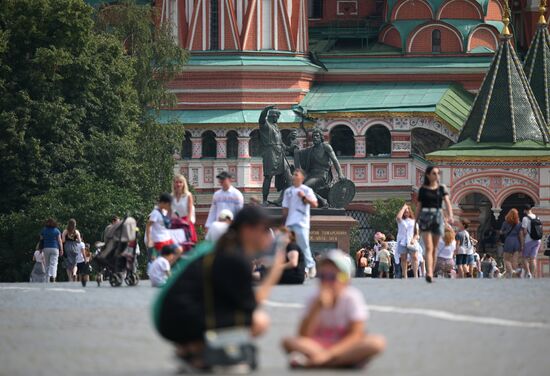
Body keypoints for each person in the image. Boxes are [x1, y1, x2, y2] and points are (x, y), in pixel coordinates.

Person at [153, 205, 287, 372]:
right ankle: (203, 352)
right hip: (175, 320)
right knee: (259, 321)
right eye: (265, 230)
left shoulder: (223, 249)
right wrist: (275, 273)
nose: (270, 236)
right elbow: (252, 305)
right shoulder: (235, 259)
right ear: (247, 230)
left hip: (167, 315)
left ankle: (192, 350)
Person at [282, 250, 385, 369]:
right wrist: (316, 307)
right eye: (322, 277)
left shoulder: (352, 297)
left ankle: (316, 362)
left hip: (344, 346)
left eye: (332, 277)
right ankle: (342, 362)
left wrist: (328, 354)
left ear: (346, 279)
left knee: (376, 343)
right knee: (288, 341)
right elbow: (303, 335)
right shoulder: (313, 298)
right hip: (318, 345)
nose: (326, 282)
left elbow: (356, 335)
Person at [415, 166, 453, 283]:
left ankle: (432, 271)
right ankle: (429, 273)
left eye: (438, 174)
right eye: (434, 173)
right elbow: (419, 206)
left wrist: (450, 215)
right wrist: (415, 221)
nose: (437, 176)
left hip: (438, 216)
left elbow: (447, 202)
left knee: (435, 248)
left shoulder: (442, 188)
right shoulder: (423, 189)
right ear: (428, 175)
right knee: (429, 247)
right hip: (425, 217)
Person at [293, 127, 344, 207]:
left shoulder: (326, 147)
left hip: (322, 174)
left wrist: (340, 174)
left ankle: (323, 201)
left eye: (317, 136)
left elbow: (335, 160)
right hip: (312, 175)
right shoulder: (310, 150)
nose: (315, 138)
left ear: (321, 137)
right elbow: (299, 153)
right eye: (313, 136)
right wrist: (294, 150)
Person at [282, 169, 318, 278]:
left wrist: (303, 197)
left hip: (301, 222)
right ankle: (293, 267)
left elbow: (315, 204)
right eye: (293, 174)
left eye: (296, 174)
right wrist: (284, 223)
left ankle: (311, 265)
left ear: (302, 177)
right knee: (286, 245)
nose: (293, 176)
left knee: (303, 245)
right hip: (290, 223)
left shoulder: (307, 190)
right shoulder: (288, 191)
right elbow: (285, 208)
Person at [258, 105, 292, 205]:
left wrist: (290, 148)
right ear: (273, 116)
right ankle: (264, 199)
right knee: (268, 176)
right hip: (270, 153)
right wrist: (266, 109)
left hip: (280, 153)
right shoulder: (265, 125)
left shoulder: (276, 127)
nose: (278, 119)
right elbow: (261, 118)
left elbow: (280, 143)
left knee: (289, 176)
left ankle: (285, 199)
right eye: (277, 116)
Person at [171, 174, 197, 243]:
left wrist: (186, 226)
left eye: (180, 182)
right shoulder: (171, 196)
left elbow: (190, 212)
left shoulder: (188, 195)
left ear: (183, 184)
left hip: (185, 222)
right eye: (176, 182)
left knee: (186, 244)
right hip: (175, 223)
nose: (178, 184)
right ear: (174, 184)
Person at [396, 204, 417, 279]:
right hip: (402, 241)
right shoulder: (401, 221)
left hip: (411, 241)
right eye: (405, 212)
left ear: (410, 212)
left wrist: (414, 239)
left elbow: (416, 233)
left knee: (414, 257)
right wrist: (403, 208)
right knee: (403, 258)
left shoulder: (413, 221)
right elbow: (398, 217)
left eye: (407, 212)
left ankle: (416, 275)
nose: (406, 213)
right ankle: (405, 275)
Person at [500, 208, 522, 278]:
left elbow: (501, 232)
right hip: (516, 241)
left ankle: (512, 272)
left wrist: (504, 232)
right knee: (515, 261)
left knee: (506, 259)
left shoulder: (505, 223)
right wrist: (522, 245)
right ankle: (514, 274)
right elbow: (520, 235)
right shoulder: (519, 224)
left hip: (509, 240)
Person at [521, 204, 542, 278]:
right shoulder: (537, 217)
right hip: (538, 240)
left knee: (525, 257)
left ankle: (529, 273)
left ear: (525, 210)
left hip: (529, 240)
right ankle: (532, 275)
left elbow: (525, 231)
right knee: (533, 258)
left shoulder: (525, 218)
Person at [40, 218, 63, 283]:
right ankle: (53, 276)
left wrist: (40, 249)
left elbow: (41, 240)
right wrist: (61, 249)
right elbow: (59, 241)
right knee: (54, 263)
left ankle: (47, 279)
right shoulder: (57, 231)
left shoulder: (43, 230)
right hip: (55, 248)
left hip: (46, 248)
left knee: (47, 264)